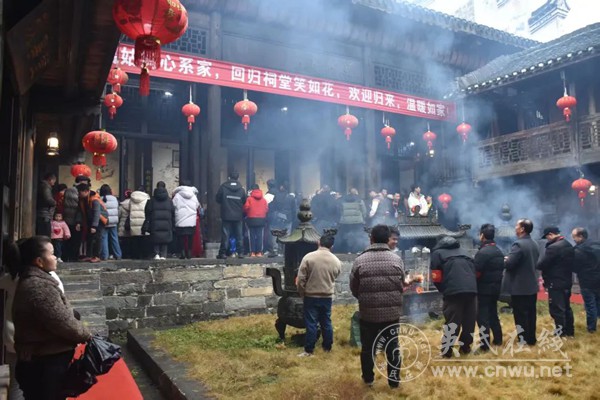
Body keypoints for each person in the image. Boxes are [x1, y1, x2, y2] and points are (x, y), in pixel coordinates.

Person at [11, 236, 91, 400]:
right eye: (52, 254)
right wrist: (87, 334)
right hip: (44, 364)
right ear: (39, 261)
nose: (55, 257)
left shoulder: (34, 281)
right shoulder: (39, 287)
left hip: (40, 360)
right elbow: (63, 322)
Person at [350, 225, 420, 388]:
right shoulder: (396, 260)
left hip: (368, 314)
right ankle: (394, 383)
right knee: (392, 347)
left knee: (368, 348)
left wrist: (364, 300)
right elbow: (401, 283)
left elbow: (354, 288)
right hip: (391, 314)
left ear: (371, 239)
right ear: (387, 238)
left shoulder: (360, 260)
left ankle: (368, 380)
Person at [431, 235, 477, 356]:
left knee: (452, 322)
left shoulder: (438, 254)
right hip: (471, 290)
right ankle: (466, 348)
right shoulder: (465, 252)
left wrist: (444, 290)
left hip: (453, 291)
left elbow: (436, 276)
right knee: (469, 321)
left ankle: (447, 351)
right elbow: (474, 272)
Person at [296, 235, 341, 357]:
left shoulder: (309, 257)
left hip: (311, 295)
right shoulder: (336, 260)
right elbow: (336, 275)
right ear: (332, 246)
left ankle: (309, 350)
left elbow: (300, 279)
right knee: (326, 322)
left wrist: (302, 293)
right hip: (327, 296)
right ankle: (327, 347)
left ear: (318, 242)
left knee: (311, 323)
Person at [504, 218, 539, 345]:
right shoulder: (534, 243)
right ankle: (532, 339)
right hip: (532, 285)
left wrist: (506, 259)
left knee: (520, 316)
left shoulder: (518, 244)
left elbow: (510, 264)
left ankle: (523, 340)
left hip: (520, 287)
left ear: (522, 229)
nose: (515, 228)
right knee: (531, 314)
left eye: (517, 226)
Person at [537, 226, 575, 337]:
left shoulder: (553, 248)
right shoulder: (567, 244)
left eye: (547, 237)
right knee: (567, 307)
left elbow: (542, 264)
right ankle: (570, 331)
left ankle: (560, 333)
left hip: (555, 281)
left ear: (550, 234)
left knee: (557, 309)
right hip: (567, 281)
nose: (547, 239)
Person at [474, 224, 504, 350]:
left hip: (483, 290)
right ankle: (498, 340)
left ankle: (484, 345)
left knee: (483, 317)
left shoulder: (482, 253)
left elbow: (477, 273)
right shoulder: (498, 251)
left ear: (482, 235)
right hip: (496, 288)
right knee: (493, 314)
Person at [572, 227, 600, 333]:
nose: (573, 239)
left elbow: (574, 267)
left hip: (587, 281)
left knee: (590, 305)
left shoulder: (579, 250)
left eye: (574, 237)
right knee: (598, 302)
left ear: (580, 237)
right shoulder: (597, 244)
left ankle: (591, 328)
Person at [216, 172, 246, 259]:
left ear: (229, 178)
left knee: (226, 235)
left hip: (226, 214)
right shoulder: (241, 189)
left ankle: (223, 253)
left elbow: (218, 198)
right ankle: (240, 253)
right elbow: (244, 201)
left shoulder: (223, 187)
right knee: (239, 235)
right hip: (238, 215)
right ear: (238, 178)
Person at [75, 183, 108, 263]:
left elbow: (97, 213)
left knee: (97, 238)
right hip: (89, 219)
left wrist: (94, 226)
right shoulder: (82, 199)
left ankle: (97, 256)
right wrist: (78, 222)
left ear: (86, 191)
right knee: (89, 237)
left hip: (99, 220)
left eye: (80, 192)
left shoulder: (94, 199)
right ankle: (89, 255)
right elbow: (80, 211)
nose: (78, 194)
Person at [145, 181, 174, 260]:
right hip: (167, 222)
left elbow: (147, 211)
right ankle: (164, 254)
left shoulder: (152, 200)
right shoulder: (169, 200)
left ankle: (156, 254)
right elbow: (173, 211)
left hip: (155, 222)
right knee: (165, 238)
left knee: (156, 238)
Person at [173, 180, 200, 259]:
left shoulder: (177, 195)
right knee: (190, 237)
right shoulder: (193, 195)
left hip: (180, 219)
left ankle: (182, 253)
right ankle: (189, 253)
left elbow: (174, 205)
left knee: (181, 237)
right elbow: (197, 205)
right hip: (191, 219)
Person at [338, 188, 367, 253]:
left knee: (346, 236)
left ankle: (348, 250)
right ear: (356, 192)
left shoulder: (343, 200)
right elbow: (364, 211)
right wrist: (363, 218)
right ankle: (356, 250)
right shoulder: (359, 200)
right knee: (357, 236)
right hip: (357, 222)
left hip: (345, 222)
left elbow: (340, 210)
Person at [243, 184, 268, 257]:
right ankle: (259, 252)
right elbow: (266, 209)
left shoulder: (249, 199)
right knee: (260, 236)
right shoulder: (263, 199)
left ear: (252, 190)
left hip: (251, 219)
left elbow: (246, 208)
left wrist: (249, 213)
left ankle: (253, 252)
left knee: (252, 236)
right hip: (261, 219)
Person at [99, 184, 122, 260]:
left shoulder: (100, 199)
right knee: (114, 238)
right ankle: (118, 255)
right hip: (113, 221)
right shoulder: (114, 199)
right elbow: (118, 210)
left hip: (104, 221)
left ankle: (105, 256)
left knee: (104, 238)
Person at [126, 188, 151, 259]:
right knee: (144, 240)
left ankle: (135, 256)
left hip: (133, 221)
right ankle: (144, 255)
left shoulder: (132, 199)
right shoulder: (147, 198)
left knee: (135, 240)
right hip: (143, 220)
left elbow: (129, 209)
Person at [62, 186, 80, 261]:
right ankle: (74, 257)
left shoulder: (65, 201)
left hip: (66, 221)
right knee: (75, 241)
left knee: (66, 241)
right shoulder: (77, 202)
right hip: (75, 222)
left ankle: (65, 257)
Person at [36, 173, 57, 237]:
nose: (54, 183)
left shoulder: (43, 185)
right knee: (45, 234)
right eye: (53, 181)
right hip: (44, 213)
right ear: (50, 180)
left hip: (42, 213)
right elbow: (48, 199)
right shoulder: (46, 186)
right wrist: (54, 202)